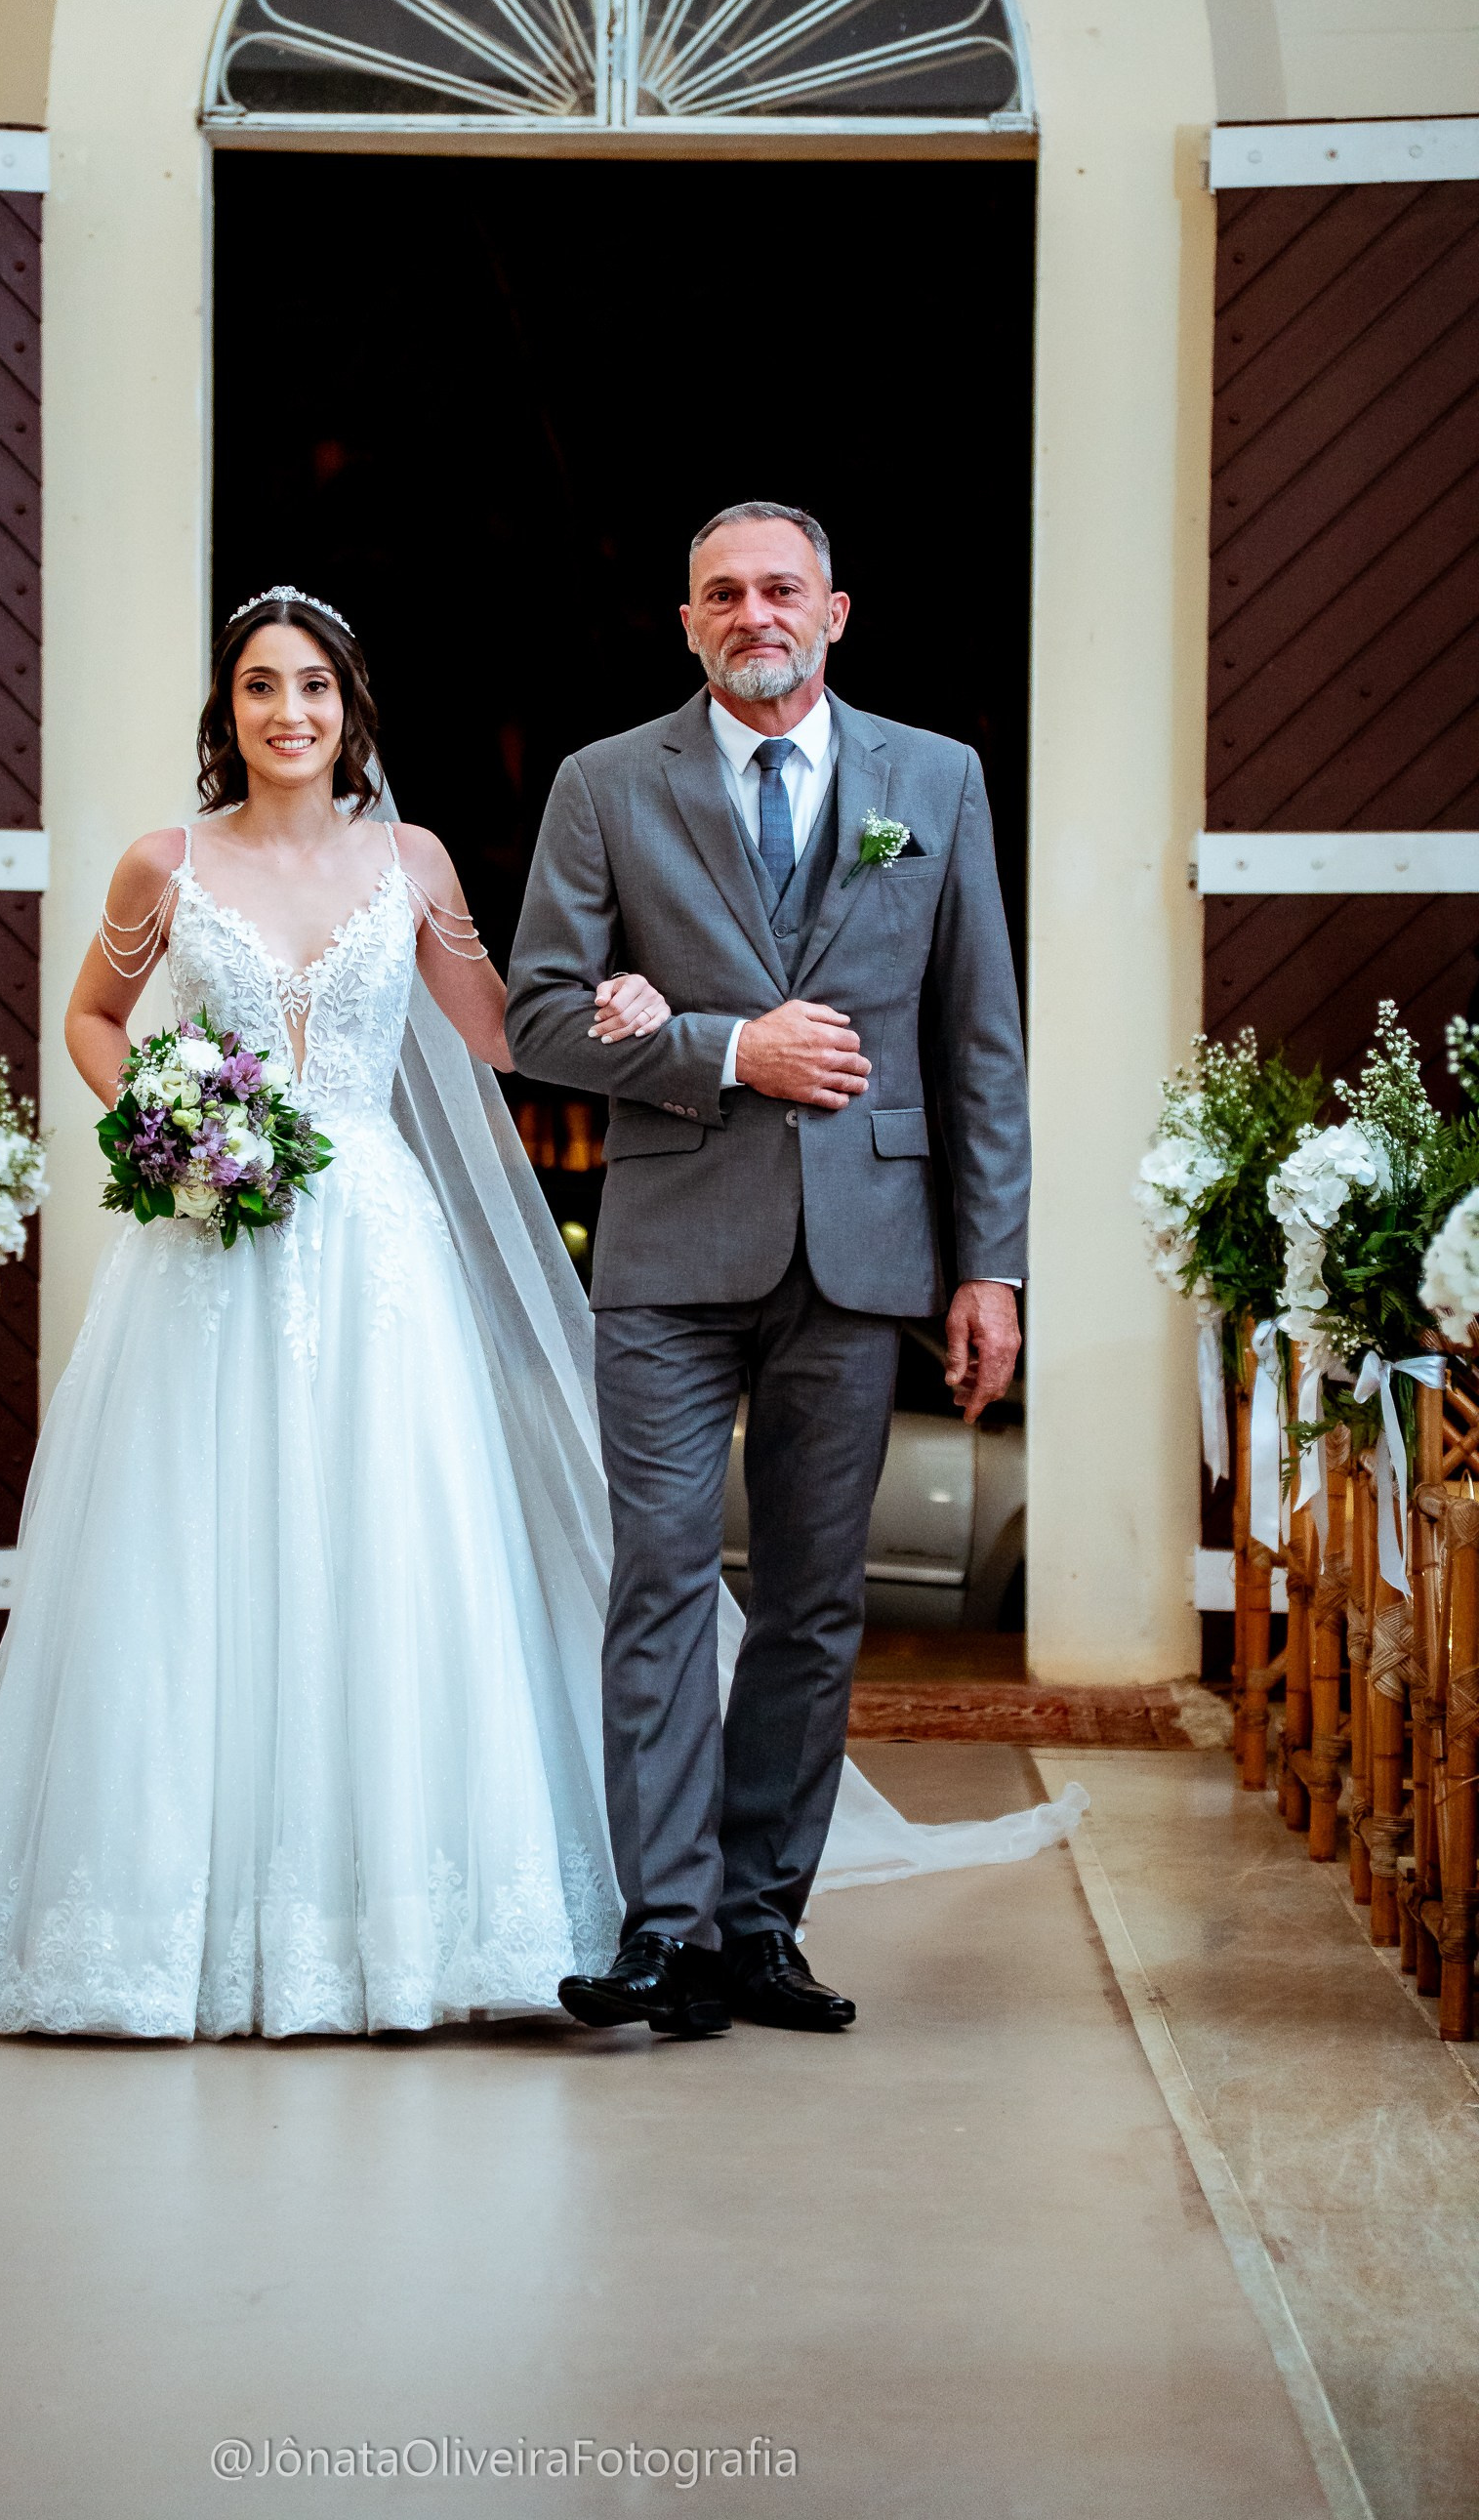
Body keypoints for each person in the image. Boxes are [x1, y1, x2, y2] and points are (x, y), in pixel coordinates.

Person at [0, 579, 1080, 2039]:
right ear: (231, 713)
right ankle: (172, 1912)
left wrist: (644, 1010)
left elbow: (507, 1030)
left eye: (314, 689)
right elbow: (90, 1016)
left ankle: (410, 1915)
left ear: (351, 714)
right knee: (192, 1559)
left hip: (375, 1250)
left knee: (391, 1554)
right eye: (263, 688)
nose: (290, 712)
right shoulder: (162, 865)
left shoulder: (414, 862)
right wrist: (164, 1114)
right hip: (209, 1246)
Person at [507, 501, 1034, 2042]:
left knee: (811, 1603)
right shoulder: (608, 785)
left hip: (868, 1251)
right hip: (671, 1247)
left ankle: (759, 1926)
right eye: (723, 594)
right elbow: (539, 1019)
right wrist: (729, 1046)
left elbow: (977, 1041)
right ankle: (662, 1930)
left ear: (836, 612)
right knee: (660, 1581)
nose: (755, 613)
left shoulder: (935, 782)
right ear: (688, 624)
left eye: (781, 589)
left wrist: (988, 1266)